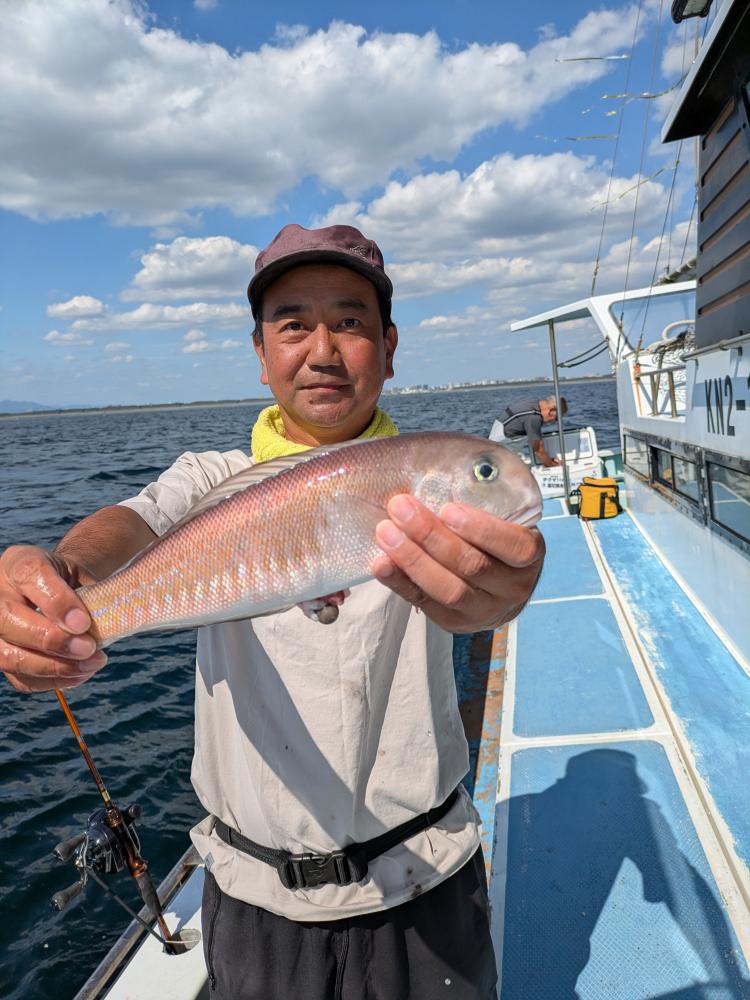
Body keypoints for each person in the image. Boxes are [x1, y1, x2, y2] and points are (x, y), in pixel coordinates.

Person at [0, 224, 544, 1000]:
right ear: (260, 353)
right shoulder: (209, 477)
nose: (322, 350)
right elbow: (132, 522)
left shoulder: (430, 490)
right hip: (256, 900)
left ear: (389, 347)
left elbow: (498, 576)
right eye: (293, 325)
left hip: (428, 880)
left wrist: (505, 588)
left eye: (350, 321)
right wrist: (61, 581)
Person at [501, 395, 568, 468]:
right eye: (556, 419)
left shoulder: (533, 401)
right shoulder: (534, 417)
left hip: (499, 443)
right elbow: (538, 450)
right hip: (501, 451)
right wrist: (553, 465)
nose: (553, 422)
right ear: (551, 410)